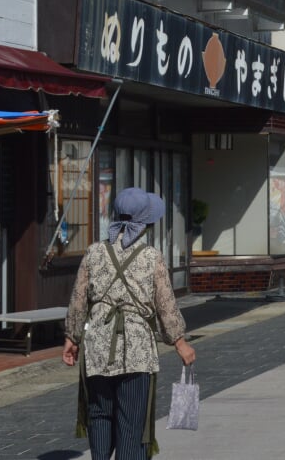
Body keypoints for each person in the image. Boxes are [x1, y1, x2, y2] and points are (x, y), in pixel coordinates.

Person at [63, 187, 196, 460]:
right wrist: (180, 342)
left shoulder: (94, 252)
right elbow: (166, 305)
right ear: (145, 222)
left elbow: (78, 300)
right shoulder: (151, 257)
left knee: (99, 412)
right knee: (131, 420)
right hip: (137, 350)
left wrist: (72, 338)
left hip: (98, 344)